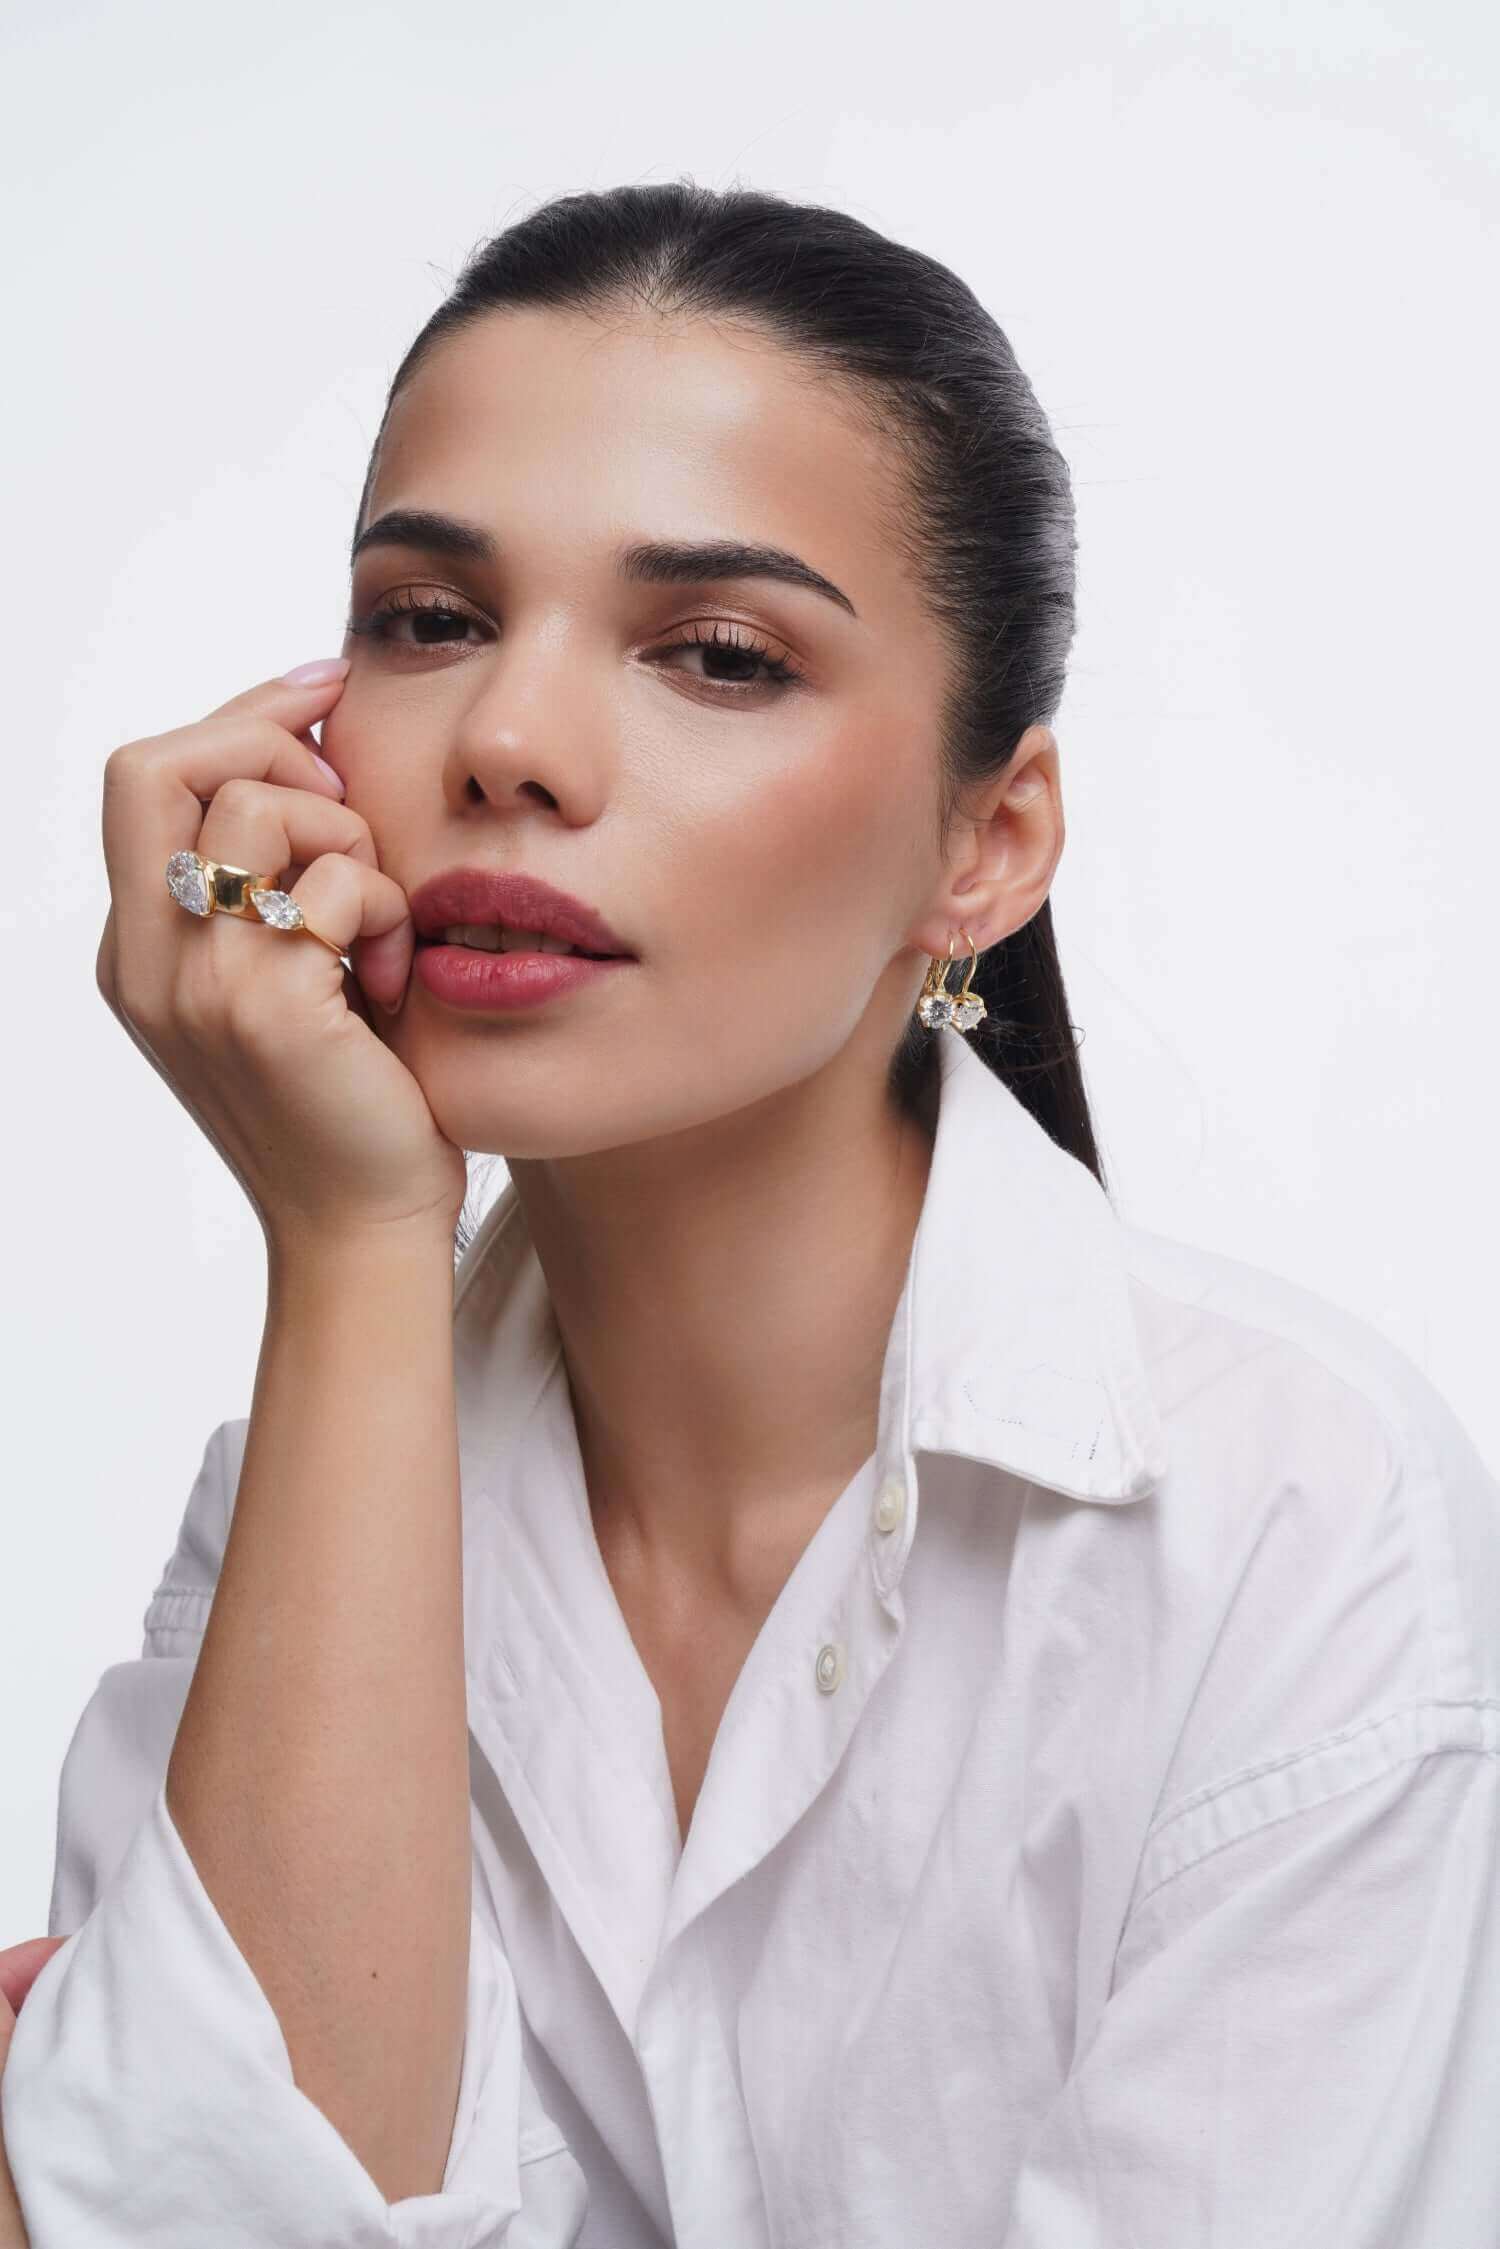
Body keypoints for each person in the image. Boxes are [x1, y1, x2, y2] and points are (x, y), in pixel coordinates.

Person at [2, 179, 1497, 2248]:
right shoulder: (303, 1514)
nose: (510, 744)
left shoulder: (1290, 1525)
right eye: (430, 620)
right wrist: (351, 1249)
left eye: (716, 652)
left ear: (988, 843)